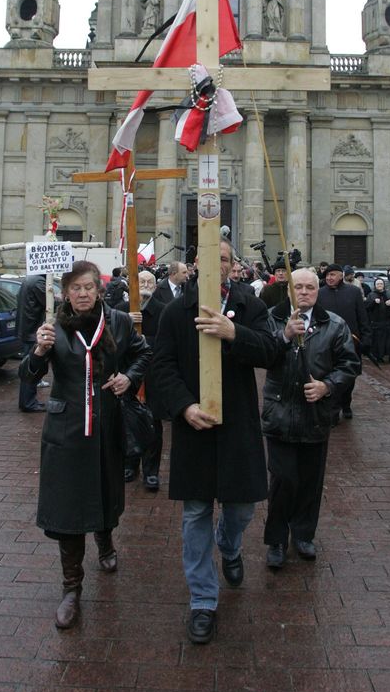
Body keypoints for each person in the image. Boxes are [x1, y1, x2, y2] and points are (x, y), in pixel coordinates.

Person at [153, 239, 277, 645]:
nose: (215, 263)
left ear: (231, 265)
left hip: (238, 425)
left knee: (241, 508)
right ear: (194, 264)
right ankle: (203, 600)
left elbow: (271, 352)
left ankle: (229, 543)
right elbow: (162, 366)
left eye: (222, 258)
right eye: (207, 257)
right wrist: (183, 407)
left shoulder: (249, 305)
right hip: (195, 428)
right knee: (195, 514)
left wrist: (234, 332)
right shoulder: (176, 311)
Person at [21, 261, 151, 629]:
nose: (82, 294)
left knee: (105, 490)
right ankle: (71, 588)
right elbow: (28, 378)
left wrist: (129, 377)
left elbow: (144, 353)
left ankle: (105, 542)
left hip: (107, 424)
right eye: (75, 288)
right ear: (65, 293)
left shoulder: (118, 322)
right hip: (67, 428)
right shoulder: (53, 328)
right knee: (69, 506)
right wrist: (38, 352)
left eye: (88, 287)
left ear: (99, 290)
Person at [262, 269, 359, 568]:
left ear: (318, 291)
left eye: (309, 288)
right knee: (283, 480)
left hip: (315, 415)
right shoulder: (273, 319)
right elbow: (262, 354)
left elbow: (349, 364)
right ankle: (277, 538)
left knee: (310, 480)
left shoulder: (334, 324)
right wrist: (284, 336)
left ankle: (303, 533)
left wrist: (327, 386)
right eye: (298, 287)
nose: (303, 292)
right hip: (280, 412)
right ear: (289, 290)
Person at [124, 269, 166, 490]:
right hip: (127, 375)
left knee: (152, 424)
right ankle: (130, 464)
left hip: (153, 376)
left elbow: (166, 342)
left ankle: (151, 471)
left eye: (150, 282)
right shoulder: (121, 310)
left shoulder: (163, 311)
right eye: (142, 281)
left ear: (156, 286)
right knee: (128, 422)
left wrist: (143, 340)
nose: (146, 285)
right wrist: (126, 322)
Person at [316, 264, 371, 421]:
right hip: (327, 343)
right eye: (327, 275)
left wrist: (366, 338)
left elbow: (362, 316)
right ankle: (333, 410)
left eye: (333, 274)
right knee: (329, 375)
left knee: (349, 376)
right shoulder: (320, 293)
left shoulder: (353, 292)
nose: (329, 278)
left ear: (341, 276)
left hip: (351, 342)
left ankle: (346, 403)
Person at [16, 273, 48, 412]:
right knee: (30, 368)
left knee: (28, 366)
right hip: (32, 330)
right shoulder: (38, 281)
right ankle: (28, 402)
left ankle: (27, 401)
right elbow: (49, 303)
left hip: (27, 328)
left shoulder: (30, 279)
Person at [365, 277, 390, 363]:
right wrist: (373, 302)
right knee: (378, 341)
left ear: (384, 285)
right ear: (375, 285)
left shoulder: (389, 294)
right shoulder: (371, 295)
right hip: (377, 322)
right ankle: (379, 357)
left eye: (381, 284)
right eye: (378, 284)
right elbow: (366, 307)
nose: (379, 285)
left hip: (389, 321)